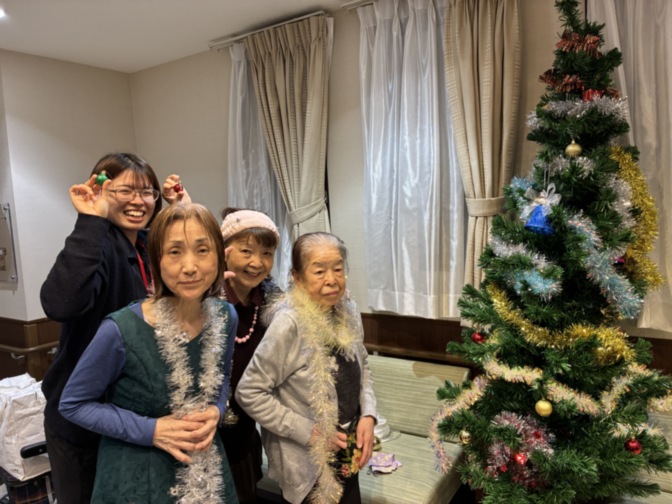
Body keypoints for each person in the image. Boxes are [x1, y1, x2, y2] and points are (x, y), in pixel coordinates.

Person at [59, 203, 239, 503]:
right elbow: (74, 404)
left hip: (205, 467)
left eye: (202, 250)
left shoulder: (225, 316)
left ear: (220, 257)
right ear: (156, 260)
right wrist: (151, 430)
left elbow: (221, 378)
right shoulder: (120, 329)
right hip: (135, 473)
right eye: (175, 252)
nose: (190, 266)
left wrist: (217, 410)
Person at [40, 153, 163, 503]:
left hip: (132, 418)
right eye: (125, 190)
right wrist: (90, 220)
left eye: (147, 191)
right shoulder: (99, 243)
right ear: (102, 191)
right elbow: (61, 304)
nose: (138, 201)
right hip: (83, 421)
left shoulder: (147, 247)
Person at [236, 232, 378, 504]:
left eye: (338, 269)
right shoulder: (289, 323)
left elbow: (363, 366)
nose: (331, 279)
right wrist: (309, 432)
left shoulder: (347, 309)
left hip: (349, 451)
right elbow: (249, 392)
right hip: (307, 465)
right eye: (319, 271)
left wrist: (368, 415)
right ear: (298, 278)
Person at [217, 208, 282, 504]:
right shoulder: (204, 299)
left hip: (244, 431)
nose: (257, 263)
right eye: (246, 251)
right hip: (206, 434)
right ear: (224, 252)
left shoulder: (272, 303)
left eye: (267, 253)